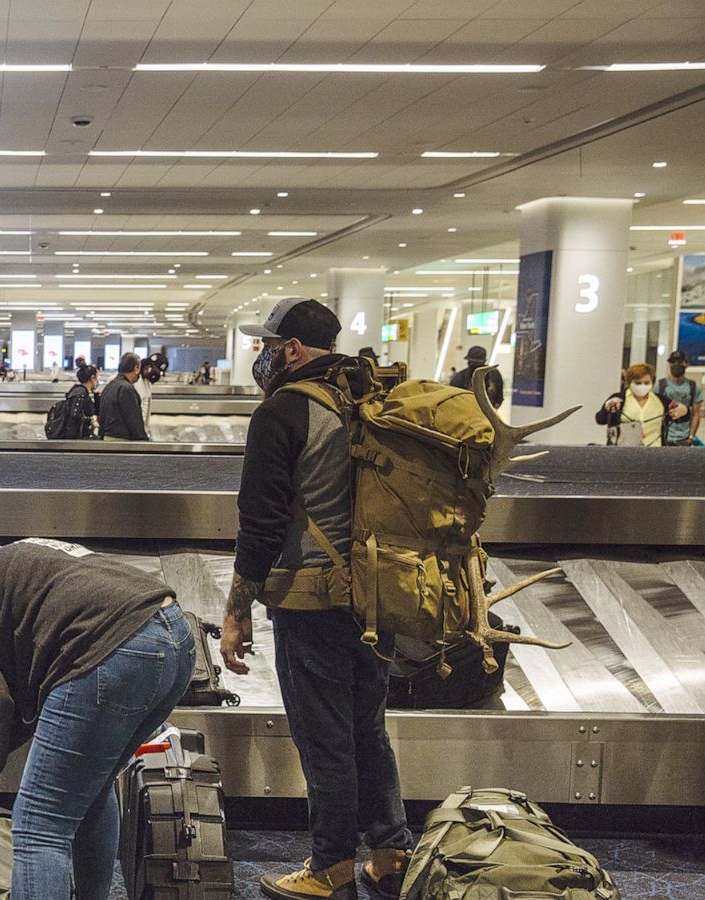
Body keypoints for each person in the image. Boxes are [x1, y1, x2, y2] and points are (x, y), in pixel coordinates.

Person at [0, 528, 194, 900]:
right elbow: (15, 698)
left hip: (112, 650)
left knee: (38, 825)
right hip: (174, 638)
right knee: (91, 791)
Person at [221, 298, 413, 900]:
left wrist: (236, 611)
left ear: (293, 350)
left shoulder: (283, 412)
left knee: (324, 735)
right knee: (367, 730)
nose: (262, 355)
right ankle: (390, 852)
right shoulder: (371, 400)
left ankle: (331, 866)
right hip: (380, 596)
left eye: (267, 345)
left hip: (312, 600)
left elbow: (260, 522)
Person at [595, 362, 686, 447]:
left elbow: (683, 415)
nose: (642, 386)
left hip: (655, 452)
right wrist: (607, 408)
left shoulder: (661, 401)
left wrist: (683, 410)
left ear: (652, 383)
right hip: (622, 452)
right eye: (638, 383)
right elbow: (600, 419)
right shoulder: (618, 398)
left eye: (646, 383)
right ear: (629, 382)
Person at [98, 353, 150, 441]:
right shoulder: (127, 389)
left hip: (107, 439)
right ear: (136, 368)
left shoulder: (110, 385)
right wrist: (144, 441)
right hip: (121, 441)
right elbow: (134, 421)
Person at [660, 351, 701, 446]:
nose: (676, 364)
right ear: (669, 364)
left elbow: (696, 414)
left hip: (684, 438)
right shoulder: (660, 385)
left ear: (686, 364)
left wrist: (691, 438)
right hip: (663, 436)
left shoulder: (693, 387)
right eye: (673, 362)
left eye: (680, 362)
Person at [55, 364, 99, 439]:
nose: (97, 381)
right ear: (92, 378)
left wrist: (96, 395)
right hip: (76, 436)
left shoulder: (77, 391)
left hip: (75, 435)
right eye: (97, 377)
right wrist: (91, 419)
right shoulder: (80, 393)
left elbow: (96, 410)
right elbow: (75, 414)